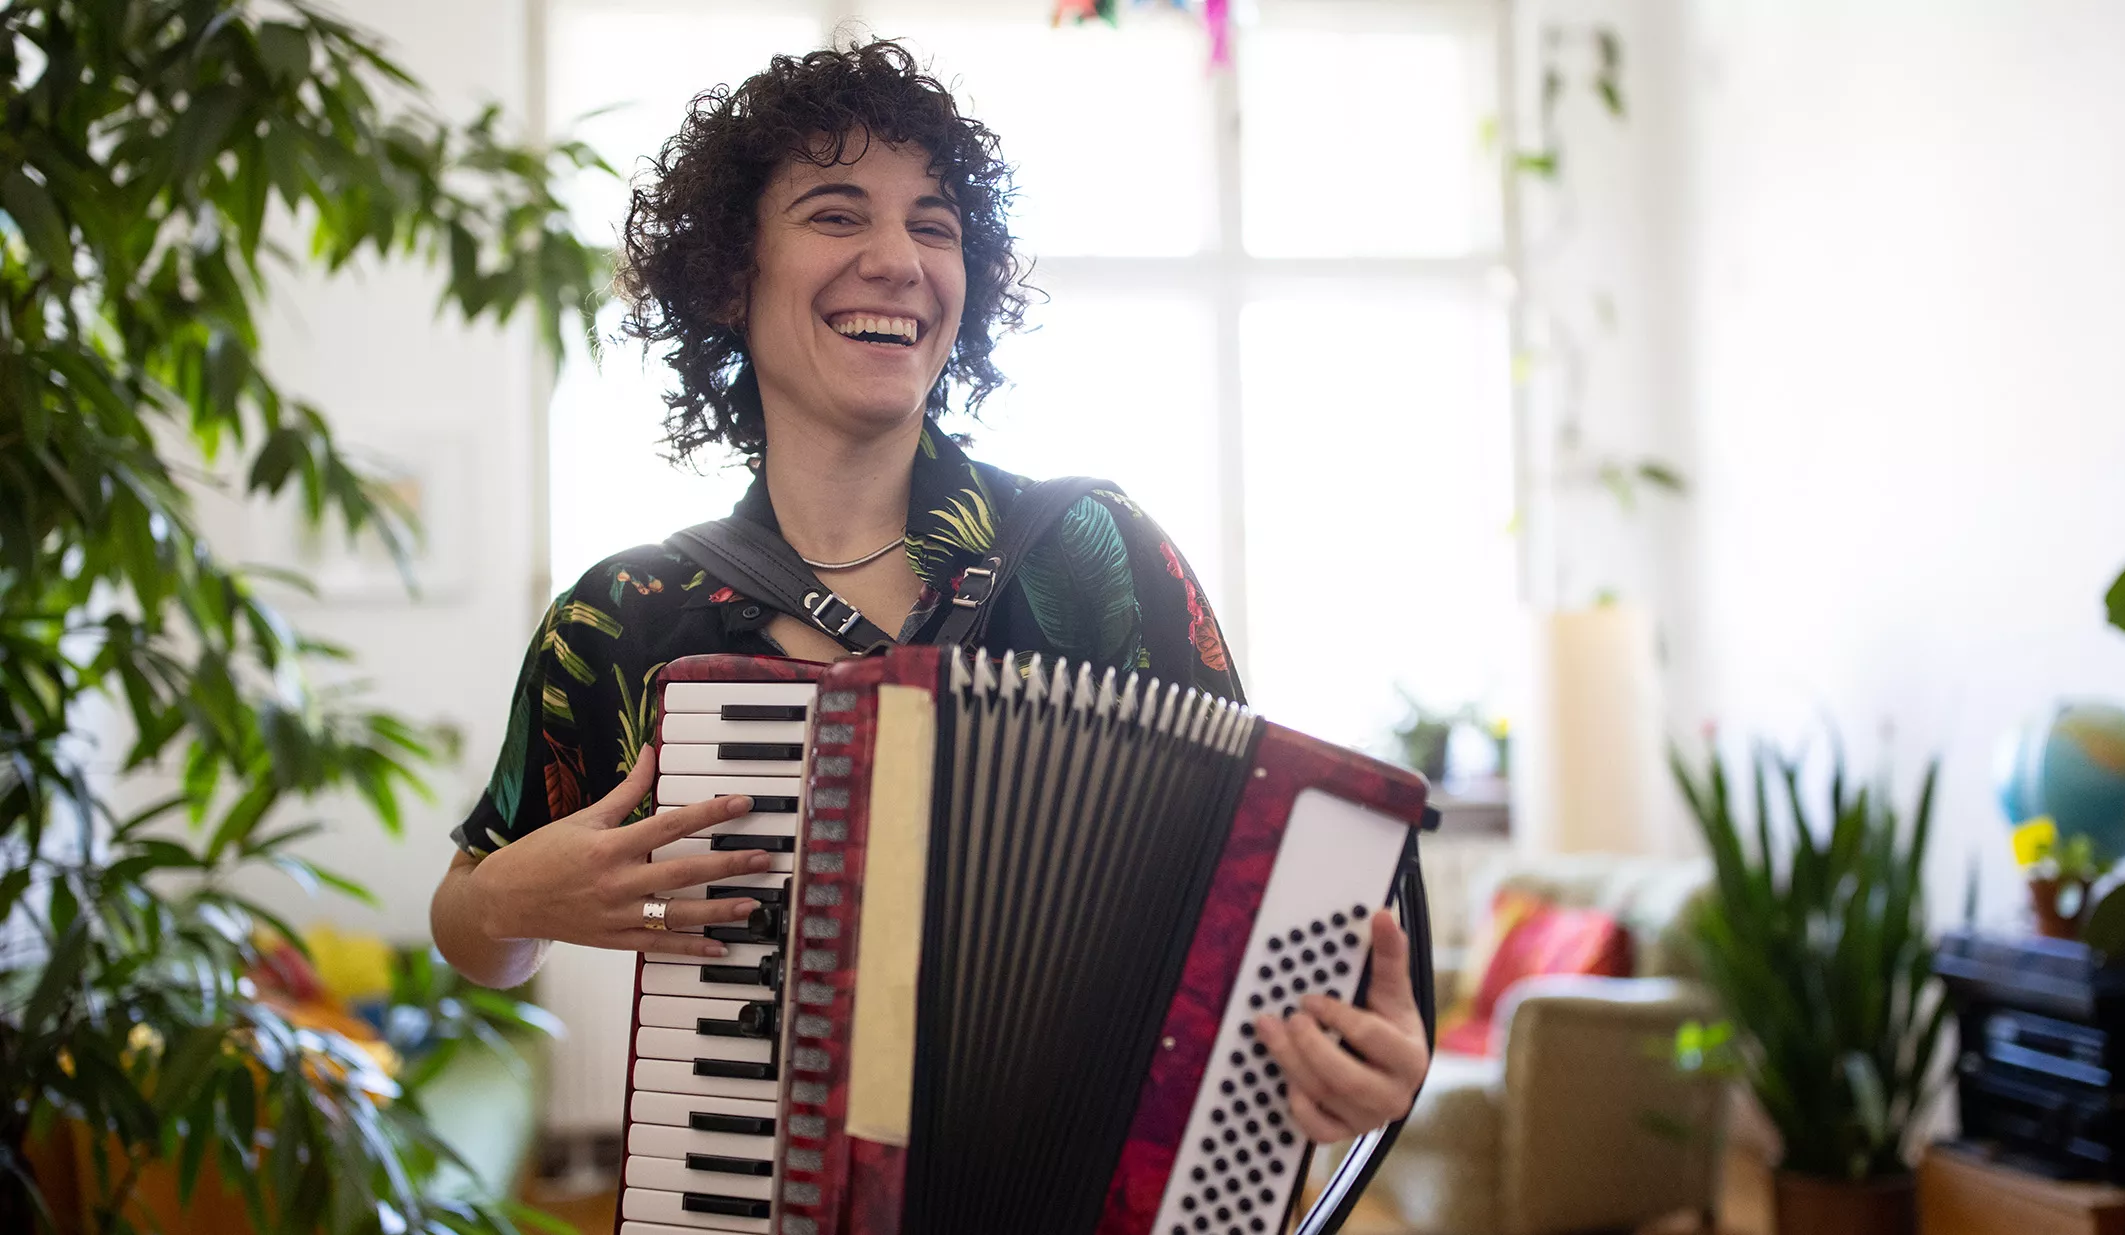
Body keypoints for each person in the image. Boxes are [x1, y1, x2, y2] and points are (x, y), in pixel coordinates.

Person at [427, 39, 1426, 1145]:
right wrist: (507, 905)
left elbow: (1259, 888)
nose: (899, 259)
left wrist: (1356, 1066)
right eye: (837, 213)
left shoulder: (1095, 556)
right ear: (726, 273)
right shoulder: (624, 613)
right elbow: (475, 929)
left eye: (935, 225)